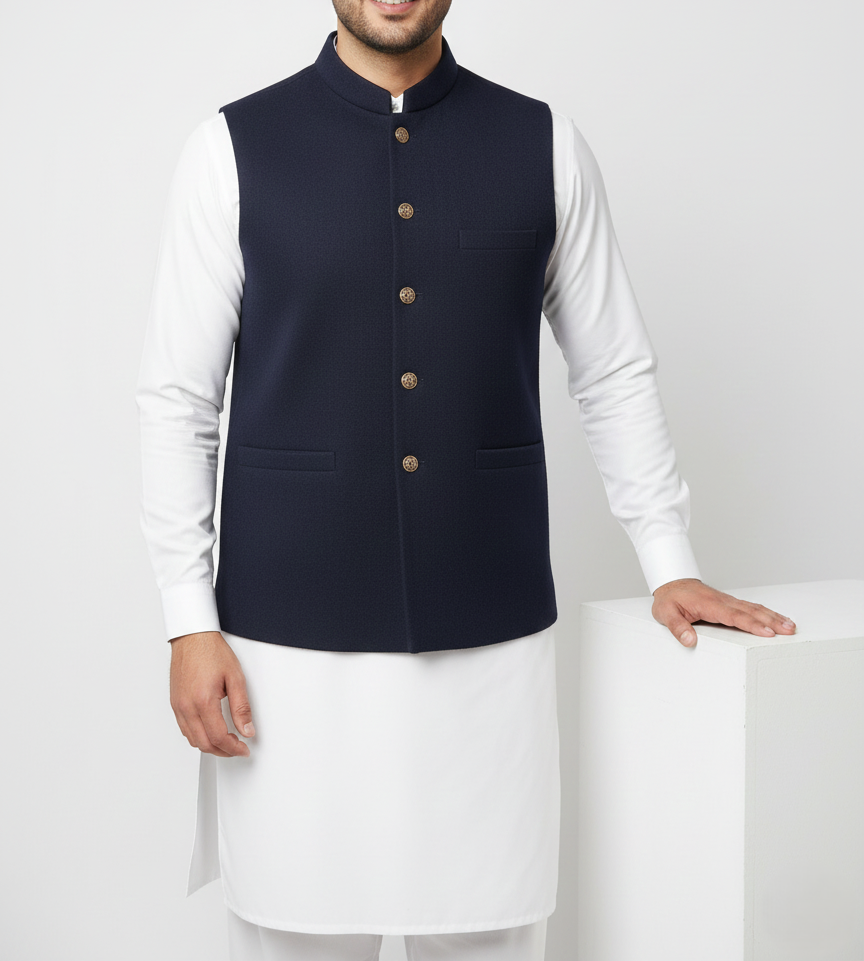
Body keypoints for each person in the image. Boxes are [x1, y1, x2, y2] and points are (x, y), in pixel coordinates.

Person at [135, 2, 797, 958]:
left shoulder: (545, 144)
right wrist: (188, 619)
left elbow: (612, 368)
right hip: (284, 648)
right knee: (296, 928)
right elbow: (178, 400)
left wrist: (669, 560)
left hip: (490, 645)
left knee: (487, 930)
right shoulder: (230, 150)